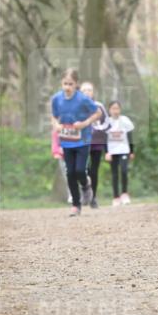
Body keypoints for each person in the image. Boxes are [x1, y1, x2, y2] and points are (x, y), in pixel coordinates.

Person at [50, 68, 102, 217]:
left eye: (70, 84)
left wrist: (85, 123)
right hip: (66, 141)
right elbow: (54, 116)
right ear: (61, 83)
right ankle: (76, 205)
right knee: (70, 173)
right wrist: (56, 125)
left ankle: (86, 185)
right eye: (65, 83)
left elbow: (97, 113)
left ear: (76, 84)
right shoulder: (57, 99)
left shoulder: (83, 99)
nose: (67, 87)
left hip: (83, 140)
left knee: (80, 170)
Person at [80, 81, 108, 208]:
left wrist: (98, 128)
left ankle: (93, 198)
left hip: (96, 142)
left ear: (93, 92)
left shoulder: (99, 105)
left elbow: (107, 122)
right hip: (81, 142)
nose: (87, 92)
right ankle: (83, 194)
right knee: (81, 170)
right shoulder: (76, 106)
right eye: (84, 90)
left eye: (89, 90)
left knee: (94, 171)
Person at [105, 101, 135, 206]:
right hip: (112, 151)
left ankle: (124, 194)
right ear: (109, 110)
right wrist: (106, 152)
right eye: (113, 108)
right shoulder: (107, 122)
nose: (115, 111)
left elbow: (130, 136)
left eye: (117, 108)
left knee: (124, 170)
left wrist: (132, 151)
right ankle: (116, 197)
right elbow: (104, 138)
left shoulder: (125, 120)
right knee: (114, 174)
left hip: (124, 150)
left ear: (120, 110)